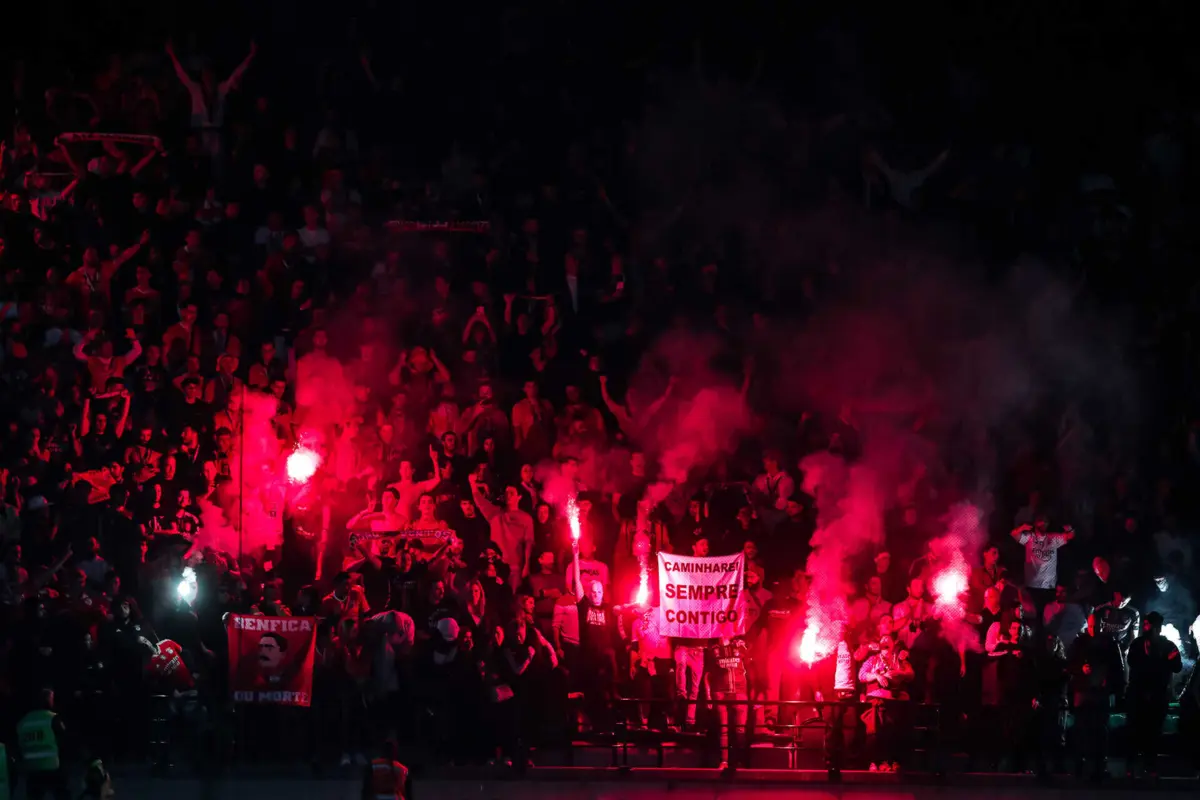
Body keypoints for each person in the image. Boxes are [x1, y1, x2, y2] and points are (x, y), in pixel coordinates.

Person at [1125, 611, 1182, 777]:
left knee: (1153, 732)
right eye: (1145, 624)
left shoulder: (1169, 646)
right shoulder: (1137, 644)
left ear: (1157, 627)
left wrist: (1167, 659)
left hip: (1158, 695)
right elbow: (1132, 662)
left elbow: (1177, 666)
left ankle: (1150, 766)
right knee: (1134, 730)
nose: (1146, 627)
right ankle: (1131, 766)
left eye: (1149, 624)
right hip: (1137, 694)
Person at [17, 689, 69, 800]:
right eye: (51, 698)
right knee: (62, 794)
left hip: (31, 767)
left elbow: (18, 743)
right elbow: (64, 740)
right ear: (47, 700)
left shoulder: (23, 721)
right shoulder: (52, 718)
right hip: (52, 766)